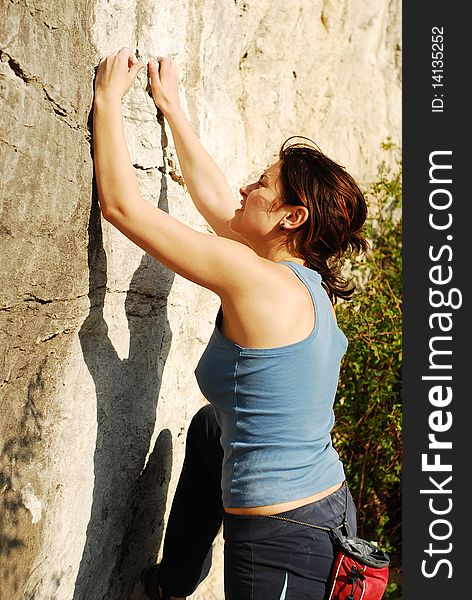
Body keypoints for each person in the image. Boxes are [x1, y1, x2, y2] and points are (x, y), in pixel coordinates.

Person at [93, 48, 368, 600]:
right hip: (327, 506)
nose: (247, 188)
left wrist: (106, 100)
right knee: (211, 428)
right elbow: (220, 201)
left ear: (292, 217)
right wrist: (173, 109)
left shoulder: (253, 279)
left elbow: (122, 208)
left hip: (285, 540)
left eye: (262, 184)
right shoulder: (299, 277)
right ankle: (173, 584)